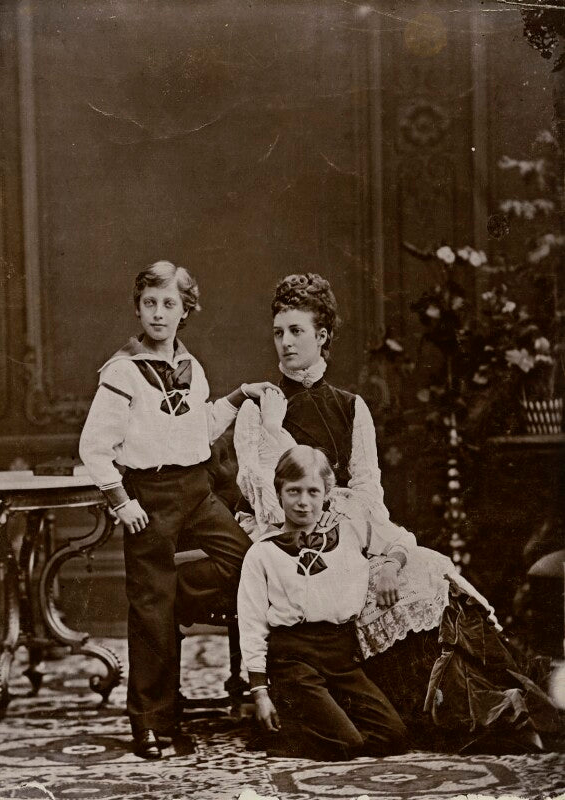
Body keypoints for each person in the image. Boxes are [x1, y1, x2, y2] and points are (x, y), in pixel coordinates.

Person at [234, 272, 558, 753]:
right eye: (279, 332)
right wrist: (275, 430)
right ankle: (457, 713)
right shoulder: (258, 410)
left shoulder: (351, 406)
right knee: (374, 589)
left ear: (322, 336)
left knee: (426, 574)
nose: (285, 342)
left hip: (353, 526)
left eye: (297, 331)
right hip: (287, 532)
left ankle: (499, 699)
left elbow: (368, 489)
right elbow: (261, 494)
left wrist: (385, 554)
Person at [79, 260, 280, 759]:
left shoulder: (192, 368)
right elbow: (94, 447)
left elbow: (199, 429)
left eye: (169, 303)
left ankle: (174, 597)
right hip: (148, 495)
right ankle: (151, 722)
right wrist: (121, 500)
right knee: (150, 610)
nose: (158, 313)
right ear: (138, 308)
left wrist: (239, 395)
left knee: (249, 561)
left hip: (196, 490)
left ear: (185, 310)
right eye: (149, 303)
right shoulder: (123, 371)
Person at [237, 444, 409, 761]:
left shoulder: (350, 530)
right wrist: (260, 693)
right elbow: (251, 626)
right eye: (293, 491)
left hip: (340, 654)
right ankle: (297, 722)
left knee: (393, 736)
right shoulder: (262, 553)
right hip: (292, 658)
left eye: (313, 492)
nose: (303, 502)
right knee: (348, 745)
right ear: (279, 493)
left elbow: (400, 539)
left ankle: (311, 720)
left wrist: (390, 566)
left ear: (327, 493)